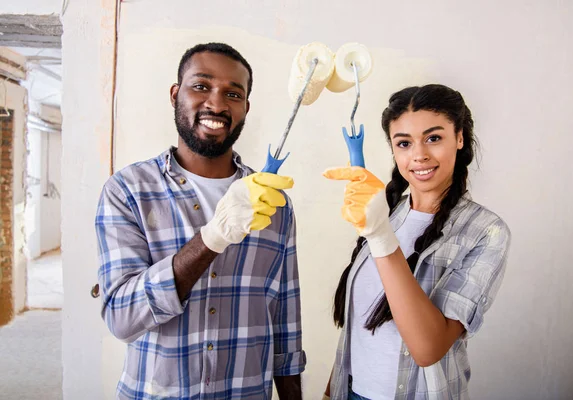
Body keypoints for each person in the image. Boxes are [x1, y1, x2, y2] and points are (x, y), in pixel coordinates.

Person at [95, 42, 305, 399]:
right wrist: (212, 238)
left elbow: (285, 325)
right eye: (201, 86)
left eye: (233, 94)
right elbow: (121, 316)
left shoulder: (273, 203)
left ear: (245, 108)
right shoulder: (128, 191)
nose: (217, 104)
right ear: (176, 93)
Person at [323, 84, 511, 399]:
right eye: (404, 143)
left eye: (433, 138)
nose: (419, 155)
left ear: (459, 137)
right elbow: (359, 330)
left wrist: (381, 237)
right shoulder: (387, 212)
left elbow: (428, 349)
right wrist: (331, 392)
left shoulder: (486, 231)